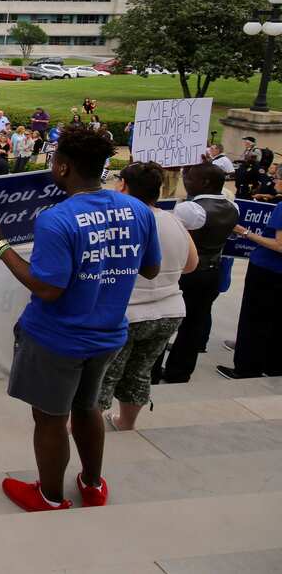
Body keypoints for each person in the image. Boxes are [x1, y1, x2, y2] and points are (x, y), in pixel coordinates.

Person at [0, 125, 160, 512]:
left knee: (50, 418)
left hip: (57, 338)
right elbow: (151, 269)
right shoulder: (138, 208)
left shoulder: (57, 219)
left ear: (64, 167)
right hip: (108, 333)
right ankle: (91, 483)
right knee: (88, 408)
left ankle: (49, 497)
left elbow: (47, 288)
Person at [96, 163, 197, 430]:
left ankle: (85, 426)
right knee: (141, 372)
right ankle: (126, 422)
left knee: (105, 375)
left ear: (123, 187)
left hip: (128, 313)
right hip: (170, 310)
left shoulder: (120, 222)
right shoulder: (174, 221)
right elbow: (191, 264)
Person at [157, 163, 239, 383]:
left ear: (204, 182)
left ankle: (154, 370)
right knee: (195, 323)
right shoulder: (233, 207)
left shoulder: (192, 209)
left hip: (187, 272)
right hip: (212, 271)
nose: (185, 181)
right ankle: (180, 372)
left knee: (164, 320)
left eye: (189, 177)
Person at [219, 183, 282, 379]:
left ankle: (246, 368)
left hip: (268, 269)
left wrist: (246, 233)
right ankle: (272, 365)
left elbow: (279, 245)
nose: (276, 181)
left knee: (254, 319)